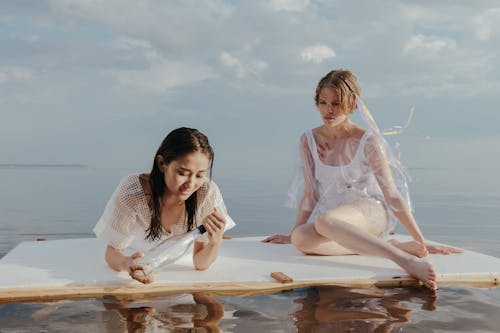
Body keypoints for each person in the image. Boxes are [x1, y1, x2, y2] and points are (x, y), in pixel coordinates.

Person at [263, 69, 460, 290]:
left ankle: (404, 260)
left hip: (371, 212)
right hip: (338, 222)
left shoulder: (367, 140)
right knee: (301, 239)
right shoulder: (308, 140)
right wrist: (291, 234)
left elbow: (392, 194)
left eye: (336, 103)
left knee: (324, 221)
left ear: (352, 105)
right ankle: (390, 246)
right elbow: (311, 194)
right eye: (323, 102)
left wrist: (422, 242)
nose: (328, 110)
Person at [94, 127, 235, 284]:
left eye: (200, 175)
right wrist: (128, 264)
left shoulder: (206, 194)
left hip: (176, 256)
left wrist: (216, 241)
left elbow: (200, 264)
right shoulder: (134, 191)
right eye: (182, 173)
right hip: (134, 252)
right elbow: (112, 253)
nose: (191, 183)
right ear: (162, 163)